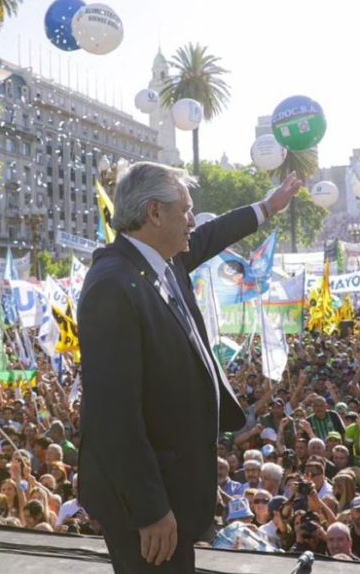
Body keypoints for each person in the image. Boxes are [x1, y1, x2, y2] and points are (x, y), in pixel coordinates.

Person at [77, 162, 301, 571]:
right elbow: (114, 417)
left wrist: (268, 207)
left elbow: (212, 235)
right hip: (144, 509)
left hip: (171, 493)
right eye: (185, 210)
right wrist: (150, 510)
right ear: (154, 213)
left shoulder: (164, 260)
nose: (193, 221)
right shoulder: (113, 284)